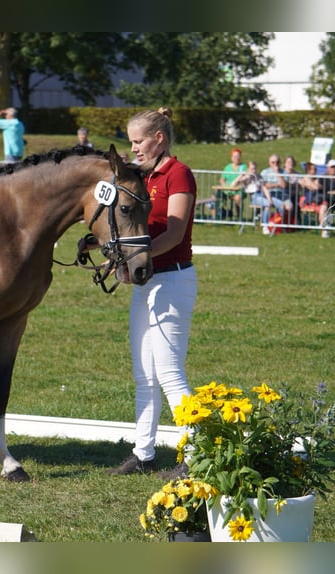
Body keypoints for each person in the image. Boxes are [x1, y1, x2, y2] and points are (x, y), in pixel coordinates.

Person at [108, 107, 197, 479]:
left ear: (158, 139)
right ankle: (143, 453)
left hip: (173, 279)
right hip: (147, 280)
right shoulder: (139, 176)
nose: (133, 148)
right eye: (130, 142)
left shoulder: (179, 173)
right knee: (143, 374)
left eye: (138, 141)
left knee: (169, 373)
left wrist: (132, 261)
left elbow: (174, 233)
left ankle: (196, 455)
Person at [256, 154, 289, 234]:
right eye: (273, 162)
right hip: (269, 195)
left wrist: (277, 173)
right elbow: (264, 185)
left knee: (288, 207)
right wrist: (277, 185)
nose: (275, 164)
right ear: (269, 163)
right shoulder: (265, 172)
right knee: (272, 206)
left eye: (277, 162)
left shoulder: (284, 172)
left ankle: (281, 225)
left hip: (281, 195)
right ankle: (266, 226)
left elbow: (284, 185)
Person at [219, 147, 247, 218]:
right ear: (231, 157)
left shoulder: (243, 167)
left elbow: (245, 179)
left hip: (238, 190)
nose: (237, 158)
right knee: (215, 195)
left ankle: (239, 217)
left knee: (237, 198)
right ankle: (215, 217)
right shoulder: (227, 167)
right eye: (235, 156)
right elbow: (222, 179)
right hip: (227, 190)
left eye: (238, 156)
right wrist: (224, 186)